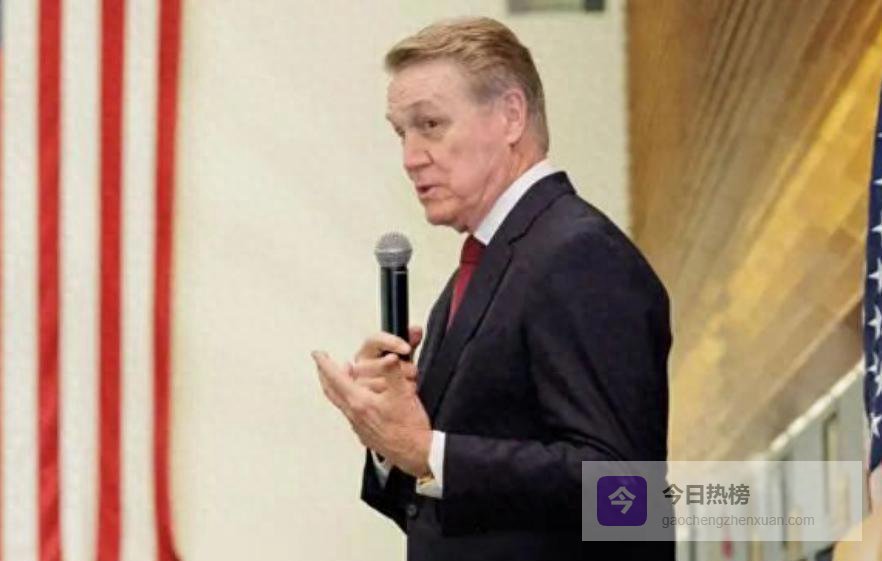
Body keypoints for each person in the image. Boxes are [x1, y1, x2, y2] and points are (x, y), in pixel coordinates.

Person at [312, 16, 674, 561]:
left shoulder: (579, 254)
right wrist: (389, 436)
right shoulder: (480, 269)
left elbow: (626, 492)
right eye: (401, 133)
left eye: (431, 124)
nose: (410, 157)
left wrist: (429, 450)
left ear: (511, 116)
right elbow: (434, 511)